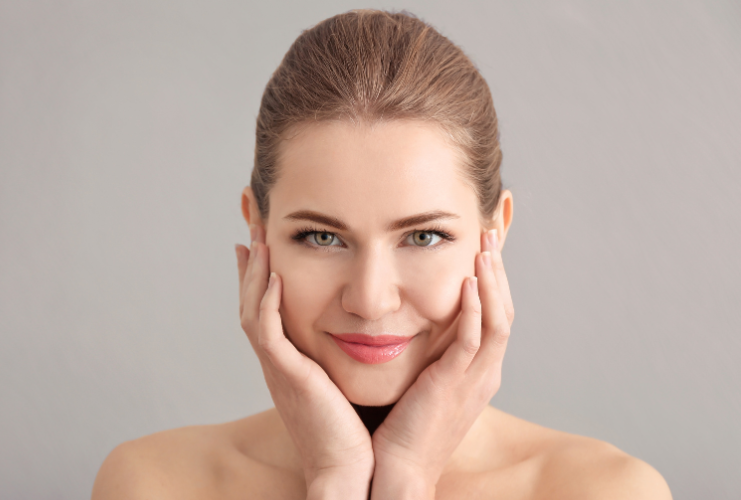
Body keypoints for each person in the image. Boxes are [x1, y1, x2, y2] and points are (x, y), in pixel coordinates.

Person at [92, 9, 672, 499]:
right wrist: (335, 478)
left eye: (423, 237)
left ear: (494, 233)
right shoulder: (156, 484)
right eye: (322, 237)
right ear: (258, 229)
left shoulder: (605, 492)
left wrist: (409, 477)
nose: (370, 300)